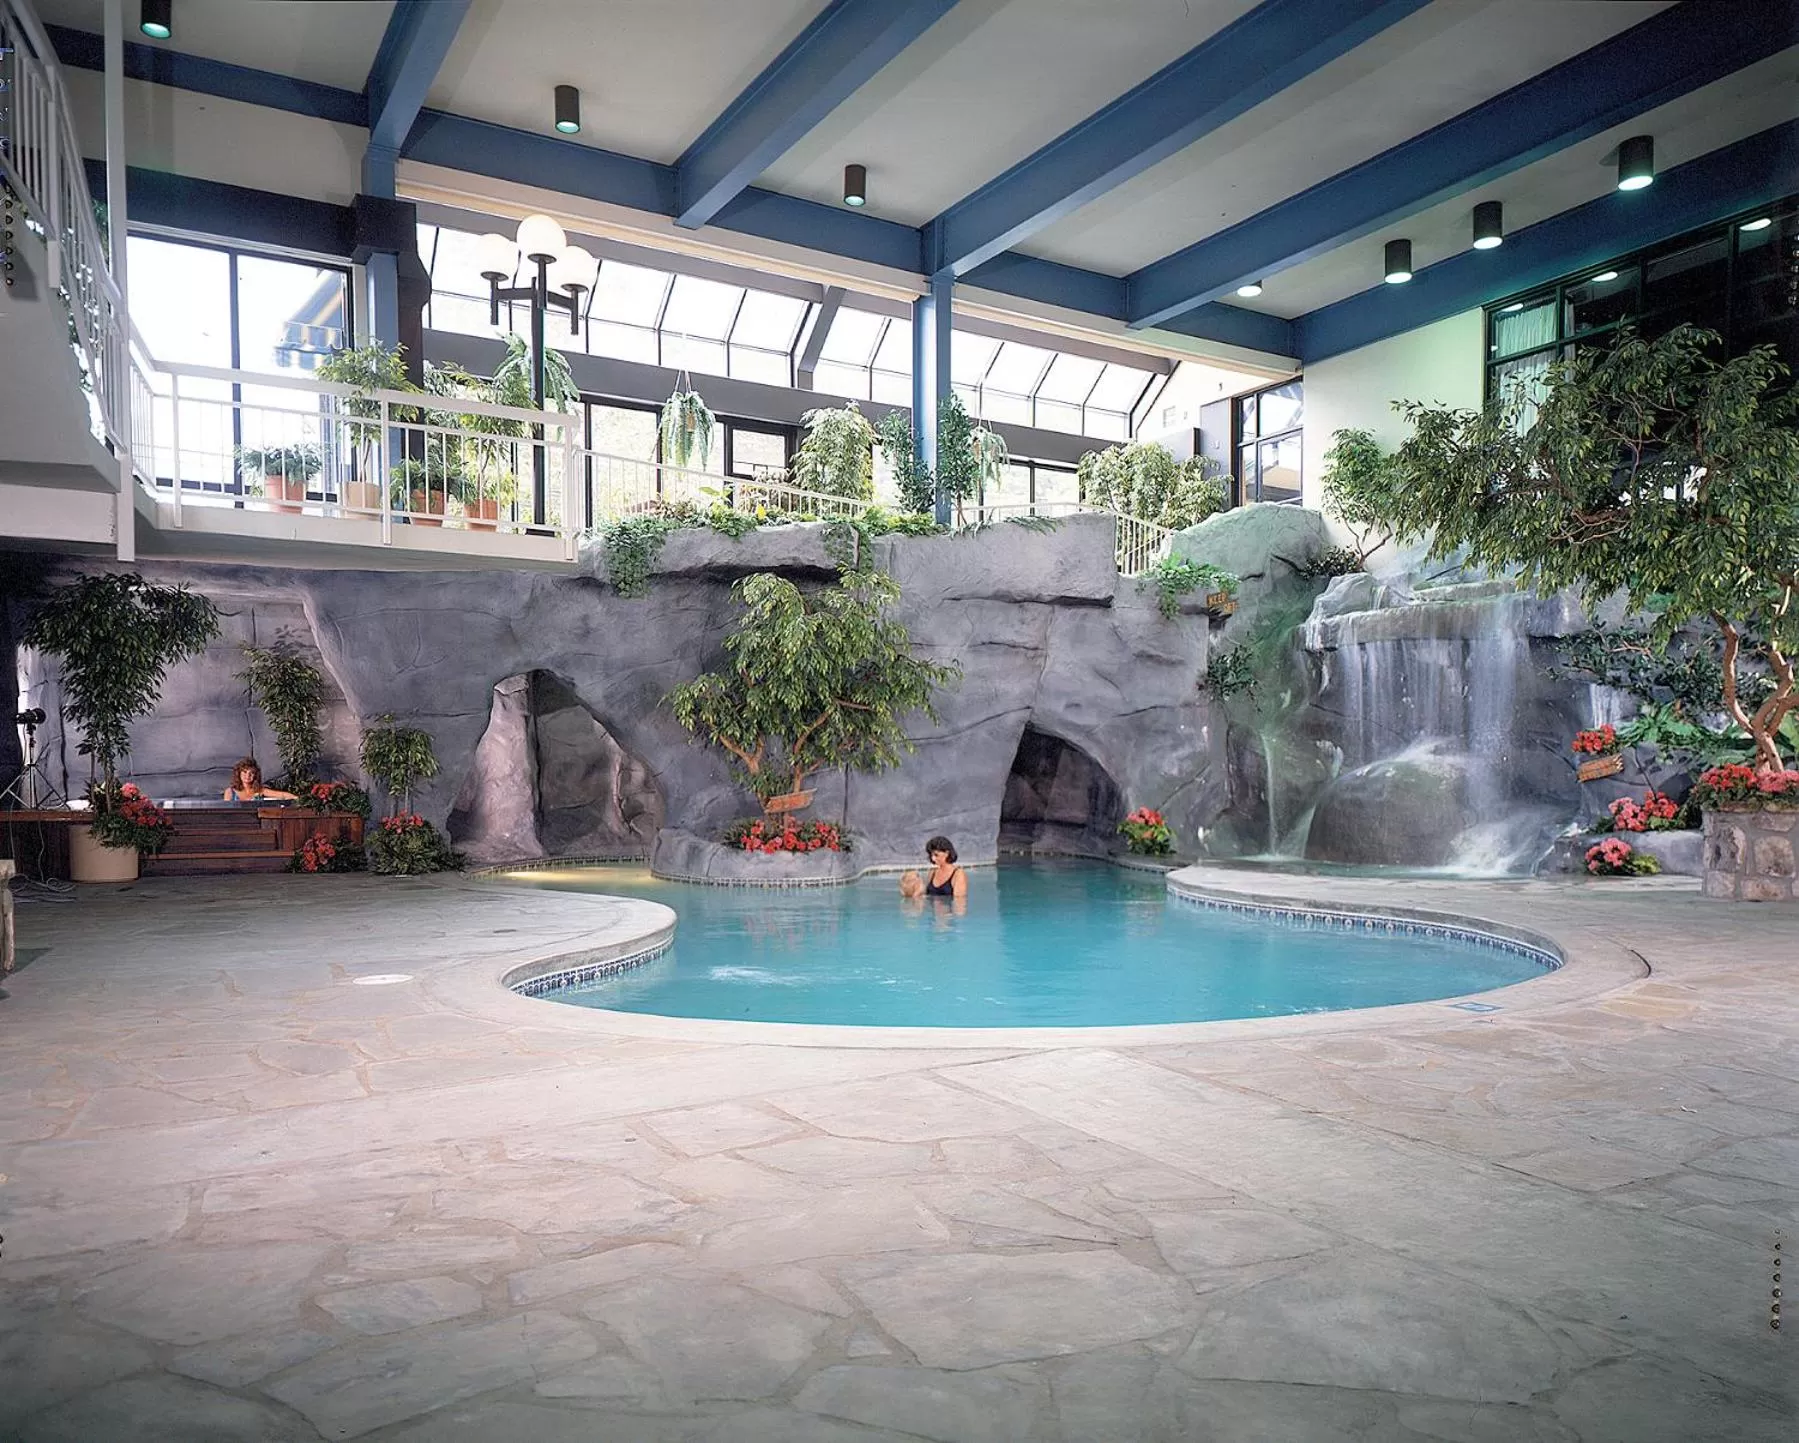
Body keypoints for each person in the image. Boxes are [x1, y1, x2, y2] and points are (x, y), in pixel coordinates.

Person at [900, 835, 968, 901]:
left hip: (949, 911)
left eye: (936, 855)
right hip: (932, 911)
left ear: (947, 853)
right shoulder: (932, 872)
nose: (933, 858)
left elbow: (959, 902)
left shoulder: (958, 874)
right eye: (931, 855)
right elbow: (926, 896)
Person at [223, 757, 296, 802]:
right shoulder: (230, 792)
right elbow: (225, 813)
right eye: (245, 772)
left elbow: (283, 795)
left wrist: (298, 799)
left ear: (255, 775)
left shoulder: (260, 790)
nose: (248, 775)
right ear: (239, 773)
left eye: (252, 773)